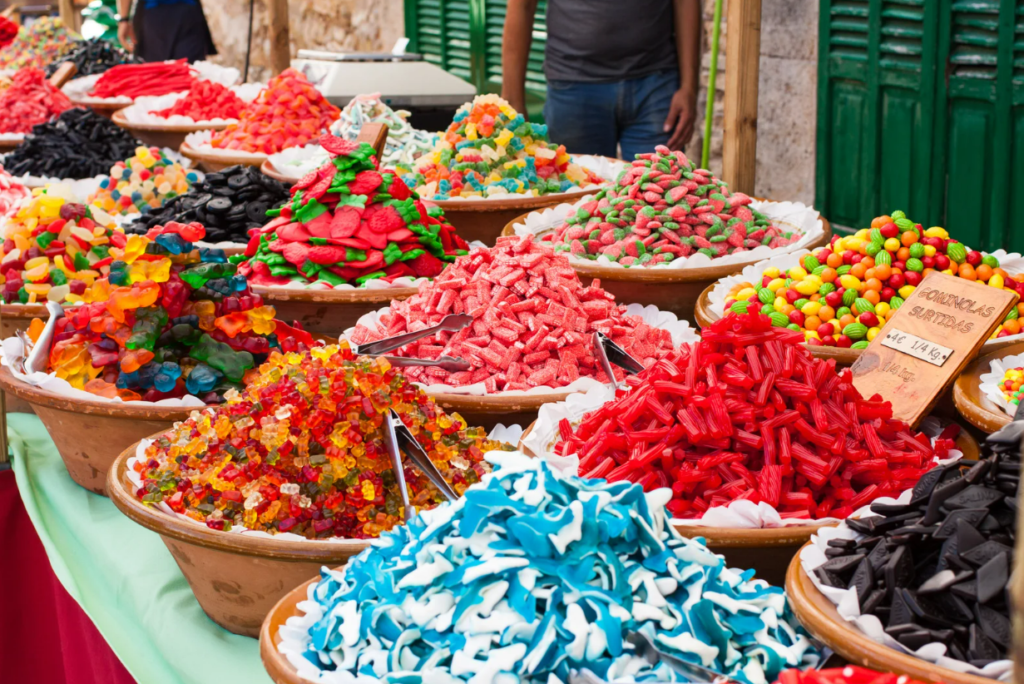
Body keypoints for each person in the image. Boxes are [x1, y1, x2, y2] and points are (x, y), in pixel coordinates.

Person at [502, 0, 701, 160]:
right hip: (574, 89)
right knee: (580, 200)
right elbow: (522, 5)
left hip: (655, 85)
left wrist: (689, 87)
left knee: (659, 198)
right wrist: (513, 100)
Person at [117, 0, 216, 63]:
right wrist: (124, 20)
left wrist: (124, 20)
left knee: (190, 75)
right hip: (153, 14)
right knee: (155, 77)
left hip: (186, 13)